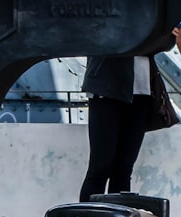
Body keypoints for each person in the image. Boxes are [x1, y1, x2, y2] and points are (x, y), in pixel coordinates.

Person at [78, 27, 181, 202]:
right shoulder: (114, 6)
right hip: (106, 88)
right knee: (100, 167)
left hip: (141, 92)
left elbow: (167, 43)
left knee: (123, 170)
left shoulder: (153, 11)